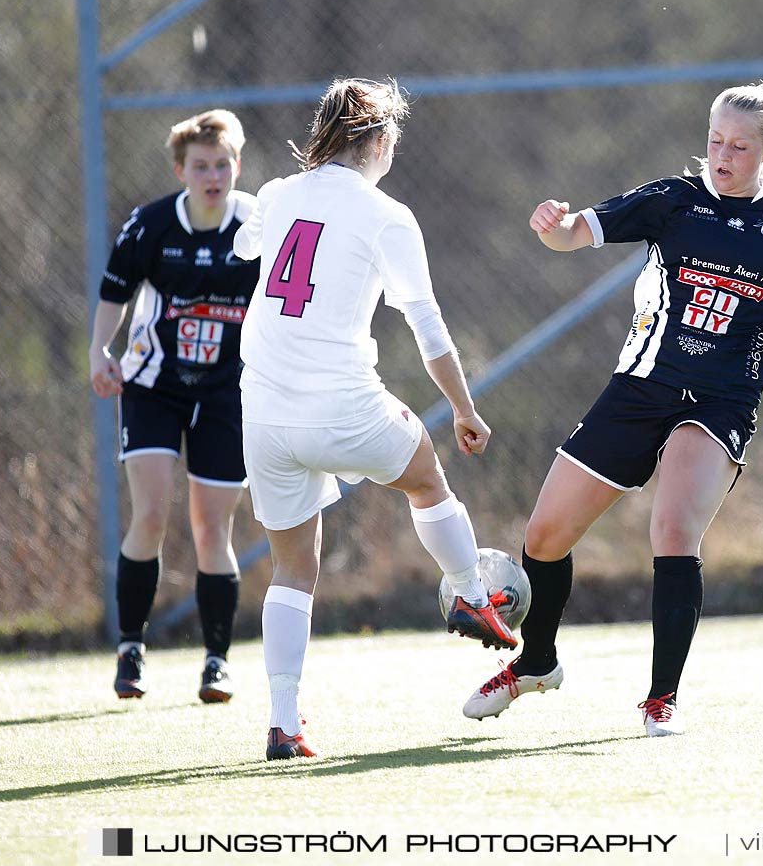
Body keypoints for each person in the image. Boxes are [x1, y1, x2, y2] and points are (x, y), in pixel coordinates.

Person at [462, 81, 763, 736]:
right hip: (641, 387)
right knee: (544, 538)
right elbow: (579, 232)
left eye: (740, 146)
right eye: (715, 140)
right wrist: (554, 225)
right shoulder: (673, 199)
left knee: (672, 530)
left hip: (722, 397)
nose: (722, 155)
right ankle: (537, 662)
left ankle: (660, 698)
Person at [233, 77, 517, 761]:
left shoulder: (278, 194)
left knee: (292, 571)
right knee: (427, 480)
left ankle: (282, 721)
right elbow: (428, 325)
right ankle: (473, 592)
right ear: (382, 139)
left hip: (265, 414)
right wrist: (463, 408)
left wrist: (257, 207)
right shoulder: (387, 214)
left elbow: (248, 247)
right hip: (341, 405)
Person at [89, 109, 259, 705]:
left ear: (236, 166)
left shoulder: (259, 227)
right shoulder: (153, 225)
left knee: (214, 526)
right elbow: (115, 291)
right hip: (154, 384)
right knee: (152, 515)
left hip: (226, 393)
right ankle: (131, 647)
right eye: (200, 166)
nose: (213, 176)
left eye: (222, 165)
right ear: (181, 170)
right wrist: (98, 352)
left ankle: (216, 661)